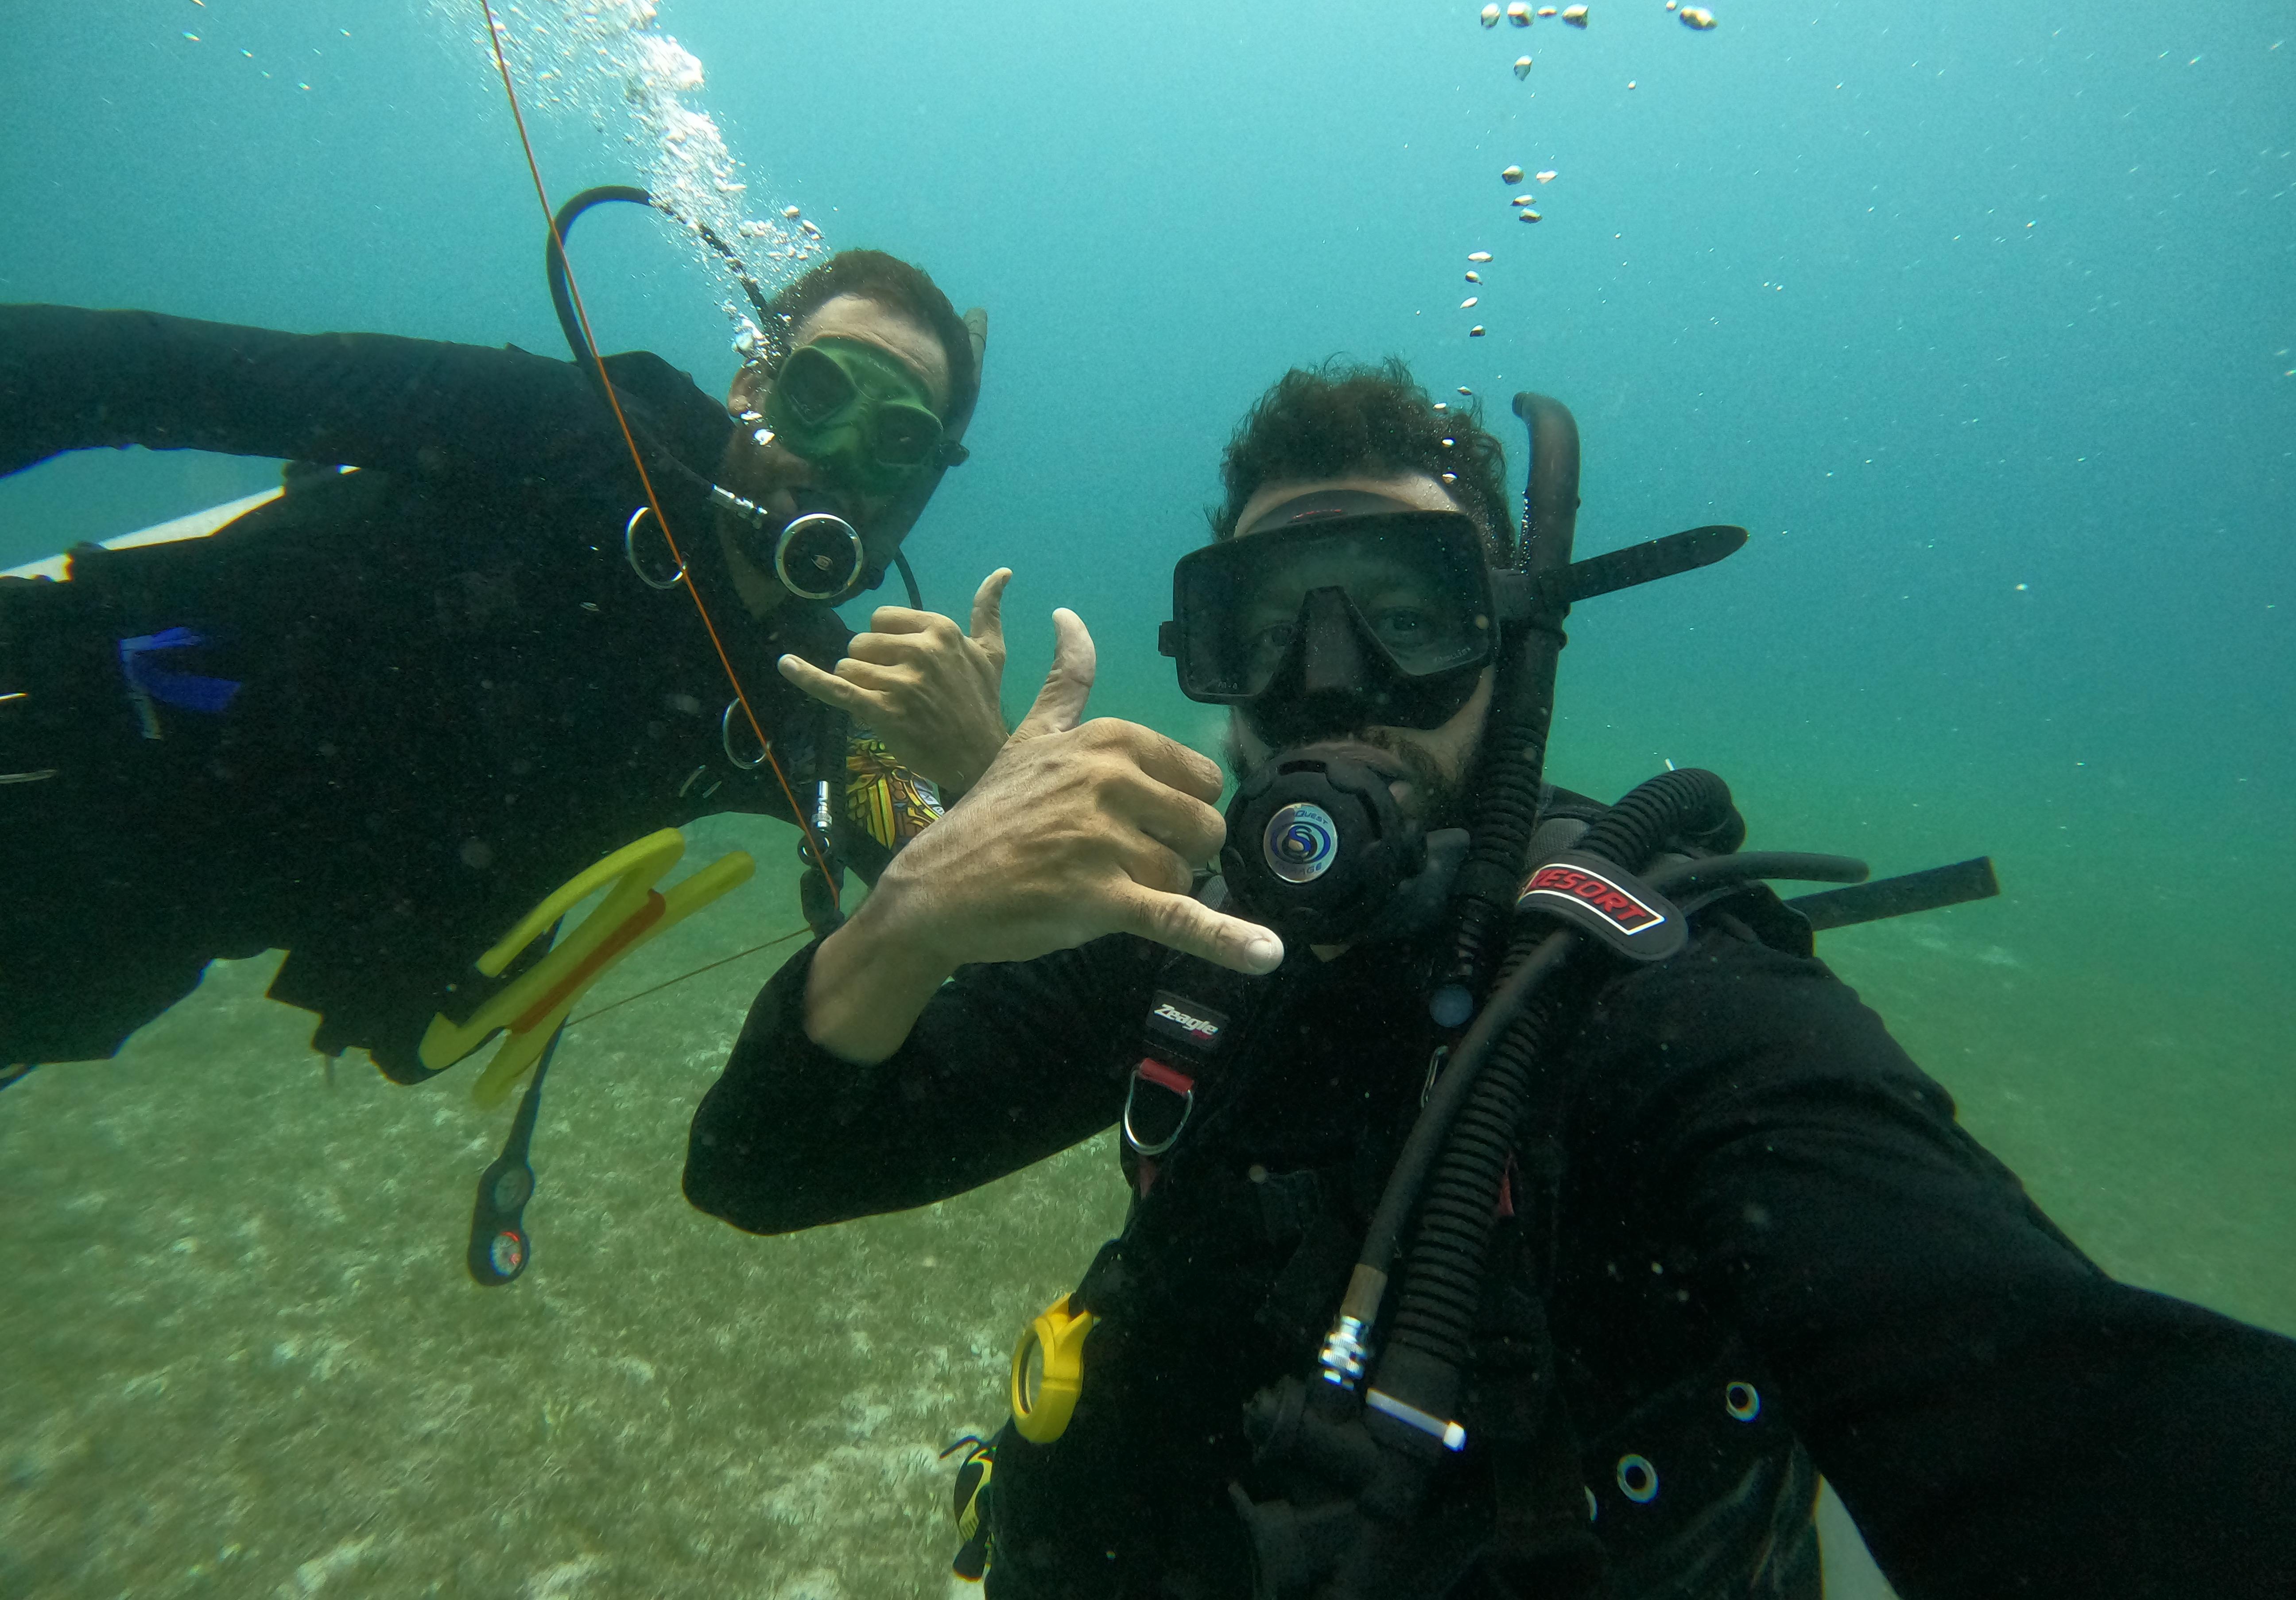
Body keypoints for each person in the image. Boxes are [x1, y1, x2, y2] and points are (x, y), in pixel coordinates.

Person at [683, 362, 2296, 1598]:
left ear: (1512, 642)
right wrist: (907, 917)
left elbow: (2059, 1408)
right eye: (1268, 625)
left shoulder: (1661, 990)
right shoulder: (1180, 931)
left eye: (1408, 617)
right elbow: (763, 1163)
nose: (1333, 684)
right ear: (1210, 660)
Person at [0, 247, 1012, 1091]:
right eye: (821, 391)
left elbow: (939, 864)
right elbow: (162, 371)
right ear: (752, 388)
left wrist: (976, 766)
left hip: (133, 932)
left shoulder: (810, 694)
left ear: (918, 485)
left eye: (897, 436)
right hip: (58, 722)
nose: (838, 451)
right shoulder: (560, 433)